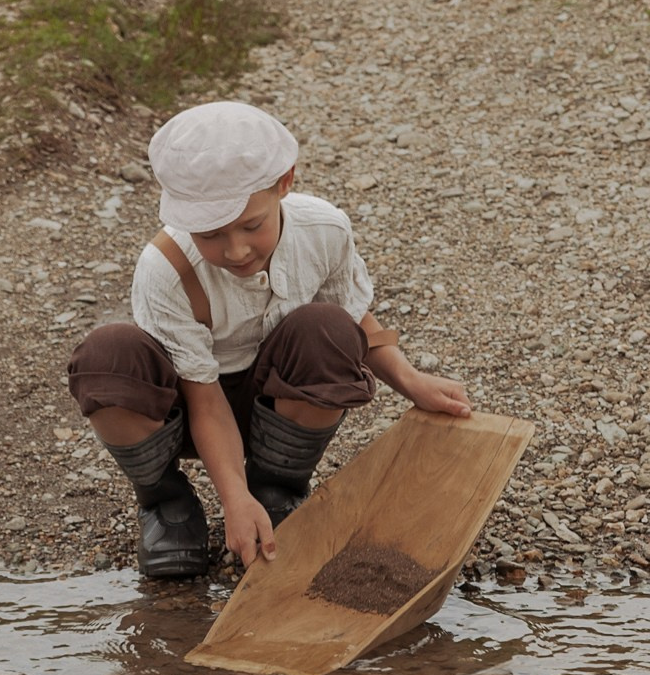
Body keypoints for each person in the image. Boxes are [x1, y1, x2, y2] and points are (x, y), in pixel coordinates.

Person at [65, 101, 471, 578]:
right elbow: (205, 401)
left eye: (252, 225)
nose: (235, 250)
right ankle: (165, 504)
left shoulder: (324, 230)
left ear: (284, 183)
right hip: (190, 410)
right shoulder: (165, 270)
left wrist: (410, 379)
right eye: (211, 234)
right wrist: (232, 499)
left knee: (329, 330)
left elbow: (353, 314)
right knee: (106, 356)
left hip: (276, 400)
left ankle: (277, 490)